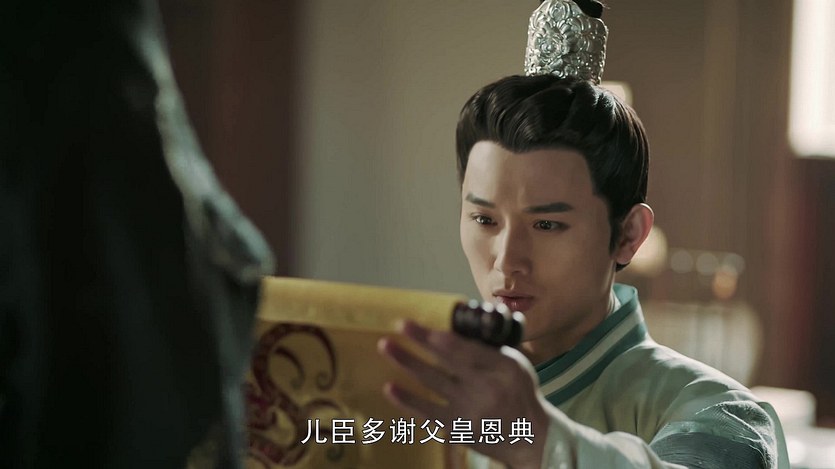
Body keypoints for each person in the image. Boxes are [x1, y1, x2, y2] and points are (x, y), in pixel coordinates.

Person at [377, 1, 787, 467]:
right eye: (485, 220)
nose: (507, 260)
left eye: (547, 225)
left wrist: (536, 440)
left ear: (628, 235)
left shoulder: (719, 413)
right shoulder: (412, 395)